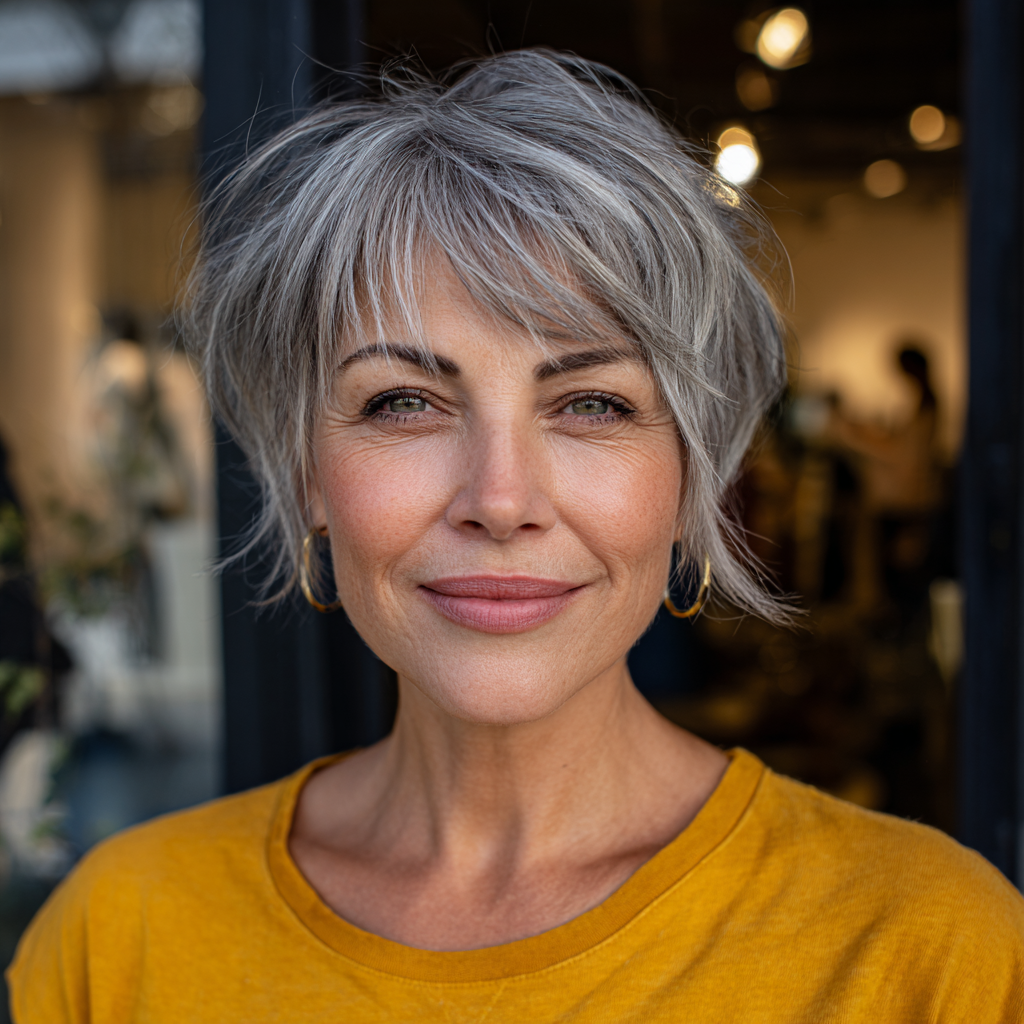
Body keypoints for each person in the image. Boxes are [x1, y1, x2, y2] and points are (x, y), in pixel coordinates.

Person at [8, 51, 1022, 1023]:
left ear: (691, 475)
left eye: (591, 404)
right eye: (404, 401)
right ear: (305, 468)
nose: (500, 498)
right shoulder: (120, 939)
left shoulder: (933, 952)